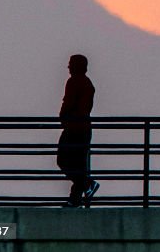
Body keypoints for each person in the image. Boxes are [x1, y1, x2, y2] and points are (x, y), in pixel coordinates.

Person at [57, 54, 98, 207]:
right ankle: (75, 199)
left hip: (74, 129)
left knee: (63, 161)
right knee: (78, 165)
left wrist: (64, 117)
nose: (68, 67)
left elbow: (69, 104)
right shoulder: (87, 83)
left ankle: (87, 185)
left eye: (70, 64)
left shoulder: (74, 82)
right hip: (83, 129)